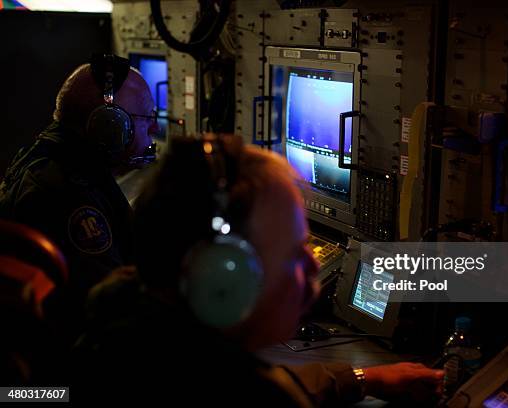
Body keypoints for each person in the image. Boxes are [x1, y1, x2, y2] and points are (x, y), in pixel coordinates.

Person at [70, 134, 443, 406]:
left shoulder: (126, 324)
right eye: (294, 251)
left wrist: (364, 377)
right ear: (226, 275)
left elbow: (234, 380)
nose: (313, 264)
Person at [0, 54, 159, 303]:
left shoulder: (47, 157)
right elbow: (113, 302)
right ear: (110, 127)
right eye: (147, 118)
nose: (155, 129)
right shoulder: (68, 198)